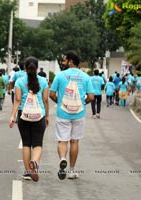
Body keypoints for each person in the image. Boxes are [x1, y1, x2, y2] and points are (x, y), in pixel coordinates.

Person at [49, 51, 94, 180]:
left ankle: (62, 159)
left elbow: (51, 94)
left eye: (64, 60)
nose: (63, 62)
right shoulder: (85, 77)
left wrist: (60, 102)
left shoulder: (60, 76)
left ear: (71, 61)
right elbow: (91, 97)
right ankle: (72, 170)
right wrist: (82, 103)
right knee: (74, 141)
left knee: (62, 140)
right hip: (79, 114)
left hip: (63, 113)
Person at [9, 56, 49, 182]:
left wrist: (12, 116)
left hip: (23, 115)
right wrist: (47, 115)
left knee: (26, 142)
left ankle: (27, 172)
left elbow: (17, 100)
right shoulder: (43, 81)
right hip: (39, 115)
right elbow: (45, 100)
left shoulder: (19, 81)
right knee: (38, 143)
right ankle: (35, 162)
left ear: (25, 67)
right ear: (37, 67)